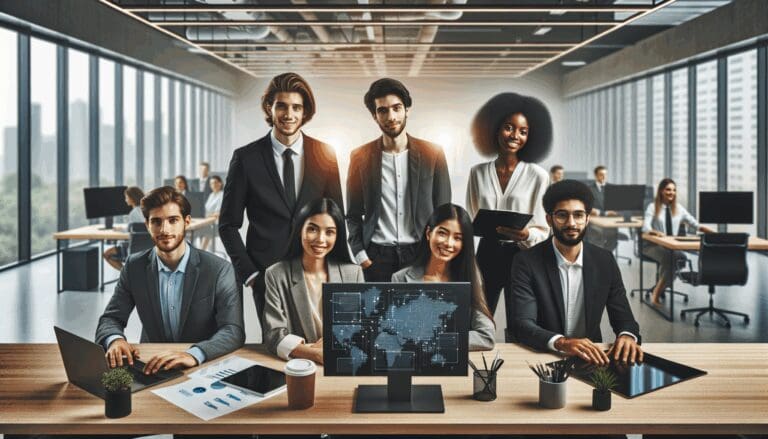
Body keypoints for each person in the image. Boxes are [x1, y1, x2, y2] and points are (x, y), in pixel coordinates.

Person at [219, 72, 344, 328]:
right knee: (276, 349)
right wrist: (251, 274)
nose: (289, 114)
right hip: (266, 274)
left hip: (316, 271)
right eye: (282, 106)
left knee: (321, 347)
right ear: (270, 107)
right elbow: (228, 224)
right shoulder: (246, 158)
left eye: (297, 107)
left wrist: (337, 270)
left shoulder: (325, 154)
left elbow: (336, 217)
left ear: (305, 111)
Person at [95, 186, 245, 373]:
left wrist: (194, 354)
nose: (164, 230)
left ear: (186, 221)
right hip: (150, 366)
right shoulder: (134, 267)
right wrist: (115, 340)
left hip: (202, 368)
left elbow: (233, 330)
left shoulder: (219, 270)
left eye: (173, 220)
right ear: (147, 225)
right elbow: (111, 318)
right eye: (156, 222)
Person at [511, 180, 642, 365]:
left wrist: (627, 336)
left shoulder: (605, 261)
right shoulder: (526, 262)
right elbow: (523, 325)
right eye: (562, 215)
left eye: (578, 215)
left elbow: (625, 318)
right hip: (543, 357)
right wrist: (562, 343)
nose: (571, 223)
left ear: (587, 218)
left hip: (591, 359)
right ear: (549, 219)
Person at [347, 77, 451, 283]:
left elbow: (444, 211)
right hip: (376, 256)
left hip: (421, 253)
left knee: (421, 314)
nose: (391, 116)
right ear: (374, 116)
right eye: (382, 110)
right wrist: (360, 255)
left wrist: (437, 255)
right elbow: (352, 214)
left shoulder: (433, 153)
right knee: (379, 316)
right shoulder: (360, 156)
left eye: (397, 108)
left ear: (407, 109)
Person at [466, 92, 551, 330]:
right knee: (479, 319)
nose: (515, 135)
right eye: (508, 127)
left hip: (521, 256)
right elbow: (472, 217)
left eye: (523, 131)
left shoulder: (538, 175)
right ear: (493, 128)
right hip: (487, 253)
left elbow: (543, 230)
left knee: (520, 323)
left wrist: (526, 236)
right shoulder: (477, 172)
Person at [262, 198, 363, 364]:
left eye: (329, 232)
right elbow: (274, 335)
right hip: (297, 365)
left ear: (338, 236)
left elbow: (360, 329)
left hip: (342, 363)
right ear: (300, 229)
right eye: (312, 229)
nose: (320, 239)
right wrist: (315, 354)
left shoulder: (353, 273)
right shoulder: (276, 274)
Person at [392, 204, 495, 351]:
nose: (448, 243)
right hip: (417, 363)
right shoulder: (400, 278)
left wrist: (437, 341)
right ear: (428, 233)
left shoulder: (471, 276)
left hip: (457, 364)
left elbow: (486, 336)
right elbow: (397, 335)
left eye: (457, 238)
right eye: (442, 233)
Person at [642, 178, 715, 306]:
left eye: (674, 190)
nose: (672, 192)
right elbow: (645, 227)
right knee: (672, 258)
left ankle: (661, 286)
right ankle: (656, 294)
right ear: (661, 191)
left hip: (671, 247)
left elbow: (696, 225)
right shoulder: (653, 207)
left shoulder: (679, 209)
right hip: (652, 245)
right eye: (668, 189)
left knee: (679, 257)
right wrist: (655, 232)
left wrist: (716, 234)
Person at [103, 186, 145, 271]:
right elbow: (138, 228)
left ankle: (126, 275)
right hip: (148, 249)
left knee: (107, 254)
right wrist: (123, 229)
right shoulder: (147, 210)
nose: (125, 200)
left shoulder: (133, 213)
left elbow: (130, 232)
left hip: (133, 248)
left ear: (132, 198)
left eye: (126, 197)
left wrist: (119, 231)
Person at [585, 165, 619, 250]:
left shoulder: (612, 188)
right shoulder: (589, 189)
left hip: (610, 222)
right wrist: (603, 213)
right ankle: (598, 256)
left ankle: (605, 257)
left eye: (605, 174)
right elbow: (587, 207)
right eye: (601, 174)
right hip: (594, 223)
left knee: (612, 241)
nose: (604, 177)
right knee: (597, 242)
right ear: (596, 176)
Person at [199, 175, 223, 251]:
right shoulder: (211, 195)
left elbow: (219, 213)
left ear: (220, 183)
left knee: (206, 231)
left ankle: (200, 253)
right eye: (211, 184)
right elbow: (206, 210)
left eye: (215, 183)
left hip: (217, 224)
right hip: (208, 222)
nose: (214, 185)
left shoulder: (222, 194)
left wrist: (208, 216)